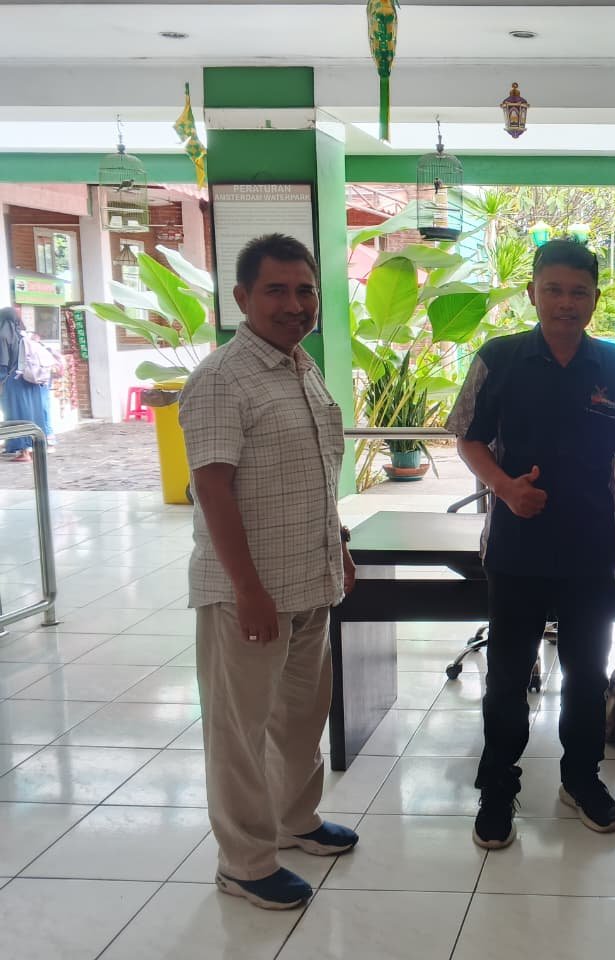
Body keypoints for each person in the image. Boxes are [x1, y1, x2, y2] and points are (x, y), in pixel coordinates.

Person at [446, 239, 615, 849]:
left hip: (591, 549)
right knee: (507, 673)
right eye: (553, 290)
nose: (566, 303)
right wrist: (504, 488)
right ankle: (498, 785)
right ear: (532, 293)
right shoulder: (499, 358)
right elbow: (468, 438)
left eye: (578, 292)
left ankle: (581, 778)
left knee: (585, 672)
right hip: (516, 548)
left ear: (594, 299)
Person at [180, 233, 358, 911]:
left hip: (309, 577)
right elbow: (212, 489)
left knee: (300, 716)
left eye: (304, 290)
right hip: (248, 593)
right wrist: (248, 591)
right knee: (240, 730)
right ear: (242, 298)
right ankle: (245, 862)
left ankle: (295, 820)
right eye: (276, 290)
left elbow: (312, 475)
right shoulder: (222, 379)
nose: (294, 304)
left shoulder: (298, 366)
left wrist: (338, 546)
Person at [0, 308, 59, 461]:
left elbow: (3, 363)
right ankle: (34, 448)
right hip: (29, 380)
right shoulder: (23, 335)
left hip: (13, 382)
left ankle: (24, 451)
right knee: (31, 414)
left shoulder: (3, 335)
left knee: (16, 415)